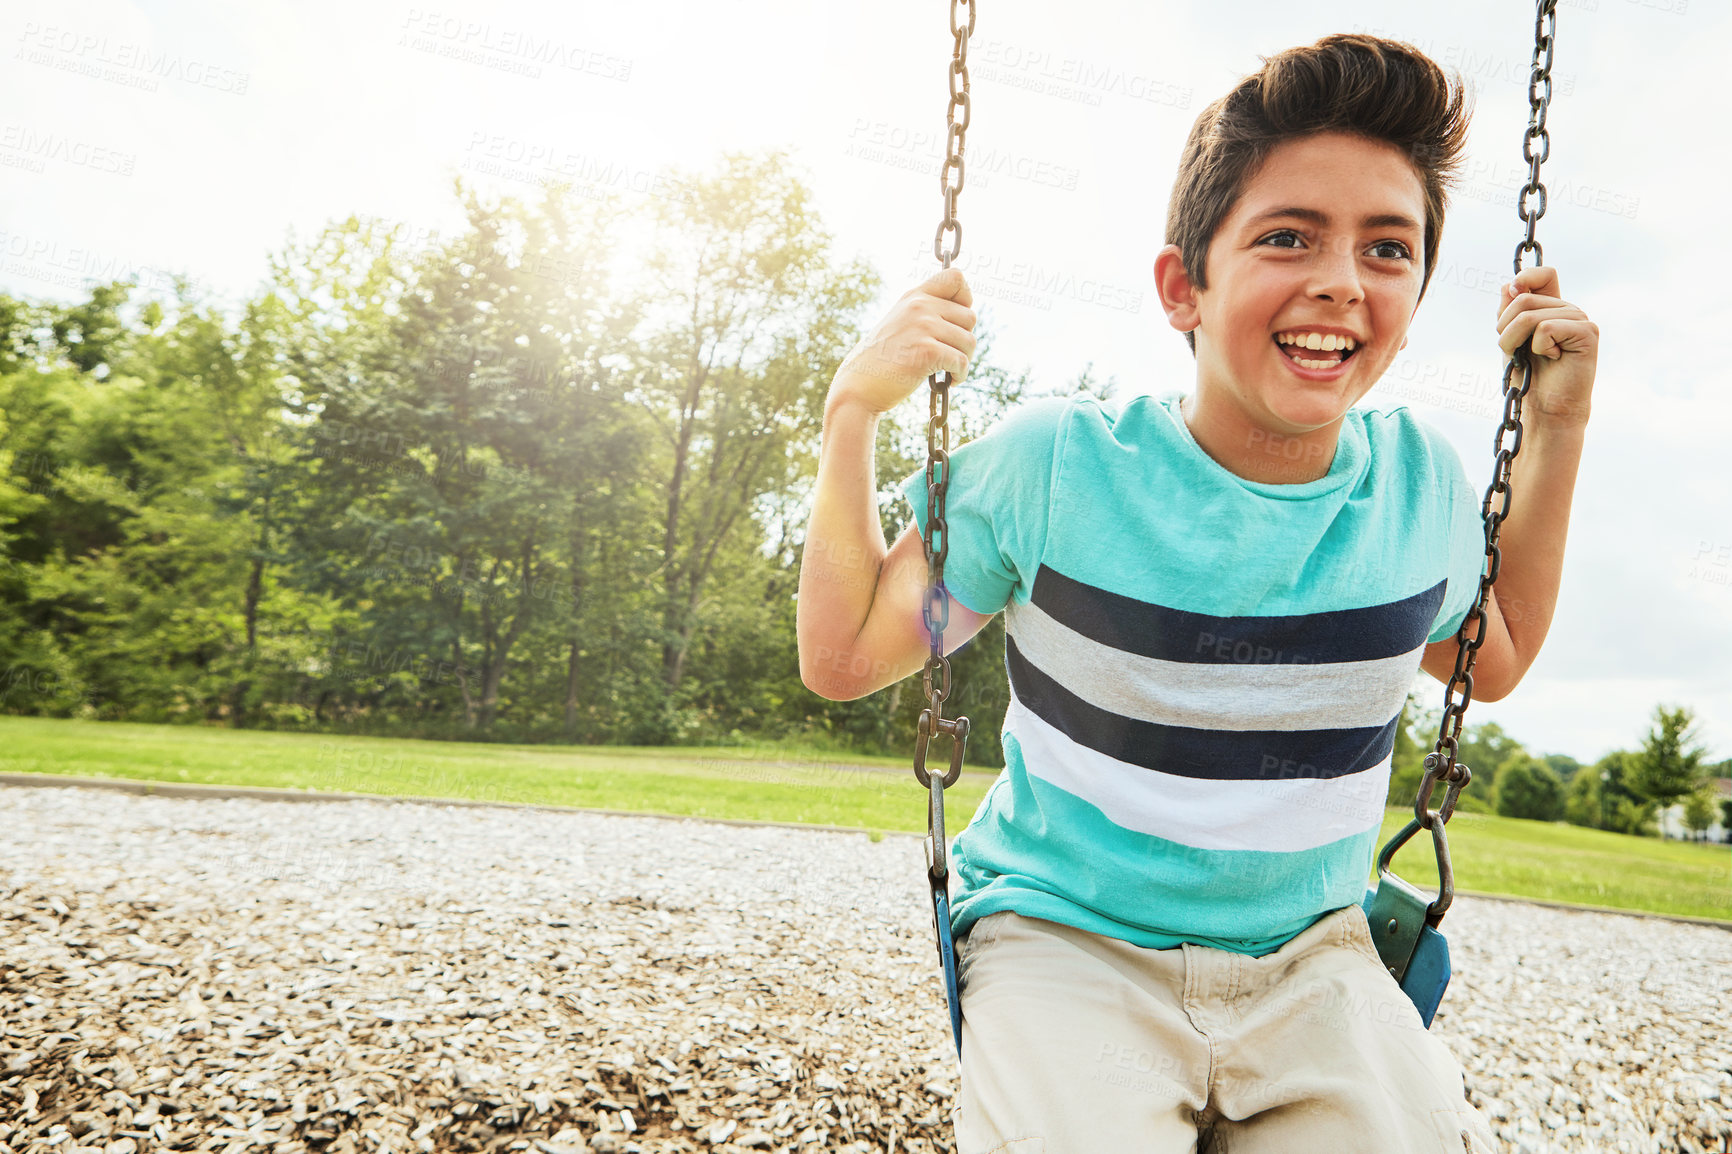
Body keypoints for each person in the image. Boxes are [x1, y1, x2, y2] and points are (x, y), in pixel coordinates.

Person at [796, 33, 1596, 1154]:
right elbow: (844, 656)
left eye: (1386, 248)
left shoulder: (1417, 489)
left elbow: (1493, 651)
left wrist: (1555, 427)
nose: (1338, 281)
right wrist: (852, 414)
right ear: (1182, 285)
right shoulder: (1057, 470)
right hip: (1064, 937)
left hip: (1312, 958)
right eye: (1286, 237)